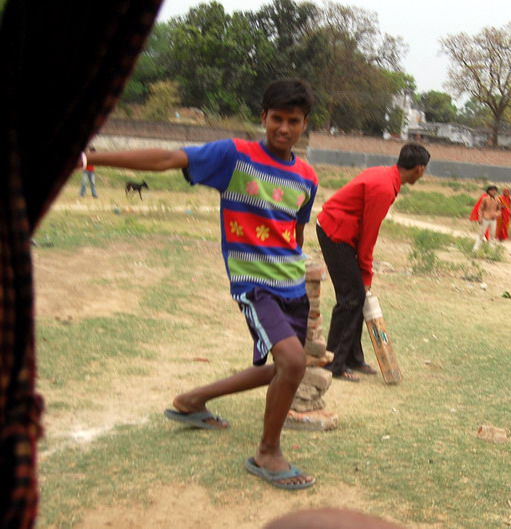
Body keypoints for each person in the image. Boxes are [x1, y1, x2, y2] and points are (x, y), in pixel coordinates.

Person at [81, 79, 318, 490]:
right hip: (254, 284)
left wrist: (305, 270)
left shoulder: (307, 177)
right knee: (293, 363)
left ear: (304, 124)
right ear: (263, 117)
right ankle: (267, 452)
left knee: (281, 370)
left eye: (292, 121)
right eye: (276, 118)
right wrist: (91, 158)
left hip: (293, 288)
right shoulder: (234, 156)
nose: (283, 128)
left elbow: (294, 231)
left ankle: (192, 400)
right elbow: (168, 158)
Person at [316, 143, 430, 382]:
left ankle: (352, 358)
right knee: (351, 298)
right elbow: (369, 234)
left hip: (339, 230)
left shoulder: (386, 175)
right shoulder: (384, 188)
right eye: (425, 170)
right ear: (419, 169)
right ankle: (332, 363)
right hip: (335, 232)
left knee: (356, 296)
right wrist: (366, 273)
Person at [471, 185, 502, 251]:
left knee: (492, 234)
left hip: (493, 219)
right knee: (481, 233)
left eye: (495, 190)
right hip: (485, 218)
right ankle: (476, 248)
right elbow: (481, 209)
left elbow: (499, 209)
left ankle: (491, 248)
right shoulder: (485, 199)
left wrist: (497, 214)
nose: (494, 192)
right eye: (492, 190)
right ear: (488, 191)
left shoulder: (497, 200)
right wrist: (480, 218)